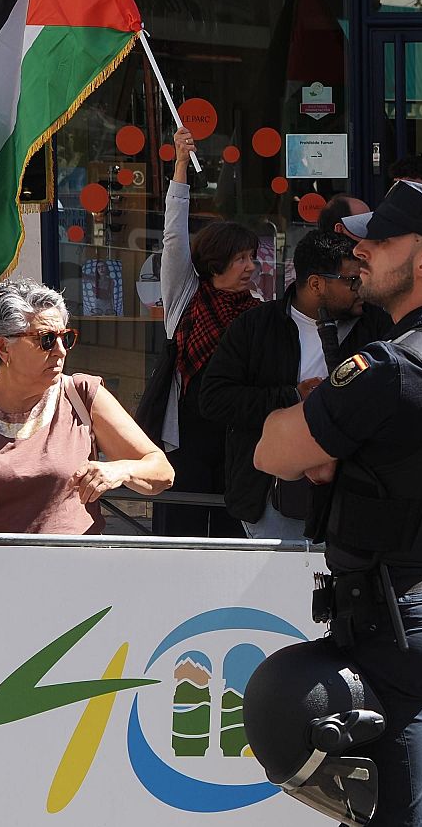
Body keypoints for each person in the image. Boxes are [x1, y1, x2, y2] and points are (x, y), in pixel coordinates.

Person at [252, 179, 422, 826]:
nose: (362, 251)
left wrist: (328, 447)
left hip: (399, 622)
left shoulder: (392, 367)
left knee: (397, 816)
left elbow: (272, 451)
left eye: (381, 239)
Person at [0, 279, 174, 535]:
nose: (61, 350)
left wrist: (120, 470)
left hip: (74, 575)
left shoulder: (83, 395)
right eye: (46, 340)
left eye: (66, 338)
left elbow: (161, 471)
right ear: (4, 348)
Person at [193, 229, 393, 539]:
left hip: (355, 494)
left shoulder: (377, 326)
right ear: (316, 283)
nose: (361, 289)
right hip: (272, 496)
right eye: (351, 280)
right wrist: (291, 396)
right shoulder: (254, 327)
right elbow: (215, 399)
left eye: (362, 278)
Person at [156, 127, 261, 536]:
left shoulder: (259, 313)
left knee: (231, 529)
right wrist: (180, 165)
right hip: (186, 435)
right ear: (215, 263)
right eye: (240, 258)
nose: (250, 266)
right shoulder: (187, 297)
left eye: (252, 257)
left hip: (236, 438)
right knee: (179, 525)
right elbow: (173, 237)